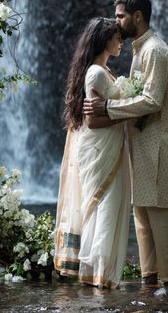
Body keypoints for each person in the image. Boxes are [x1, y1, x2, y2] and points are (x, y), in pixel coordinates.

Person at [83, 0, 168, 298]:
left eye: (120, 16)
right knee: (143, 221)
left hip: (160, 147)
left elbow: (153, 100)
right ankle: (150, 286)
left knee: (161, 220)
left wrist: (109, 109)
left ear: (138, 16)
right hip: (142, 148)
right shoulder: (139, 49)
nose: (116, 22)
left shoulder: (155, 50)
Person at [54, 17, 131, 289]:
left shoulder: (102, 71)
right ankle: (98, 272)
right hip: (99, 147)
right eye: (118, 38)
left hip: (102, 146)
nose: (122, 42)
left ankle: (98, 271)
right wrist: (128, 114)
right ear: (105, 40)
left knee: (103, 207)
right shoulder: (97, 73)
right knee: (104, 206)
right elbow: (95, 120)